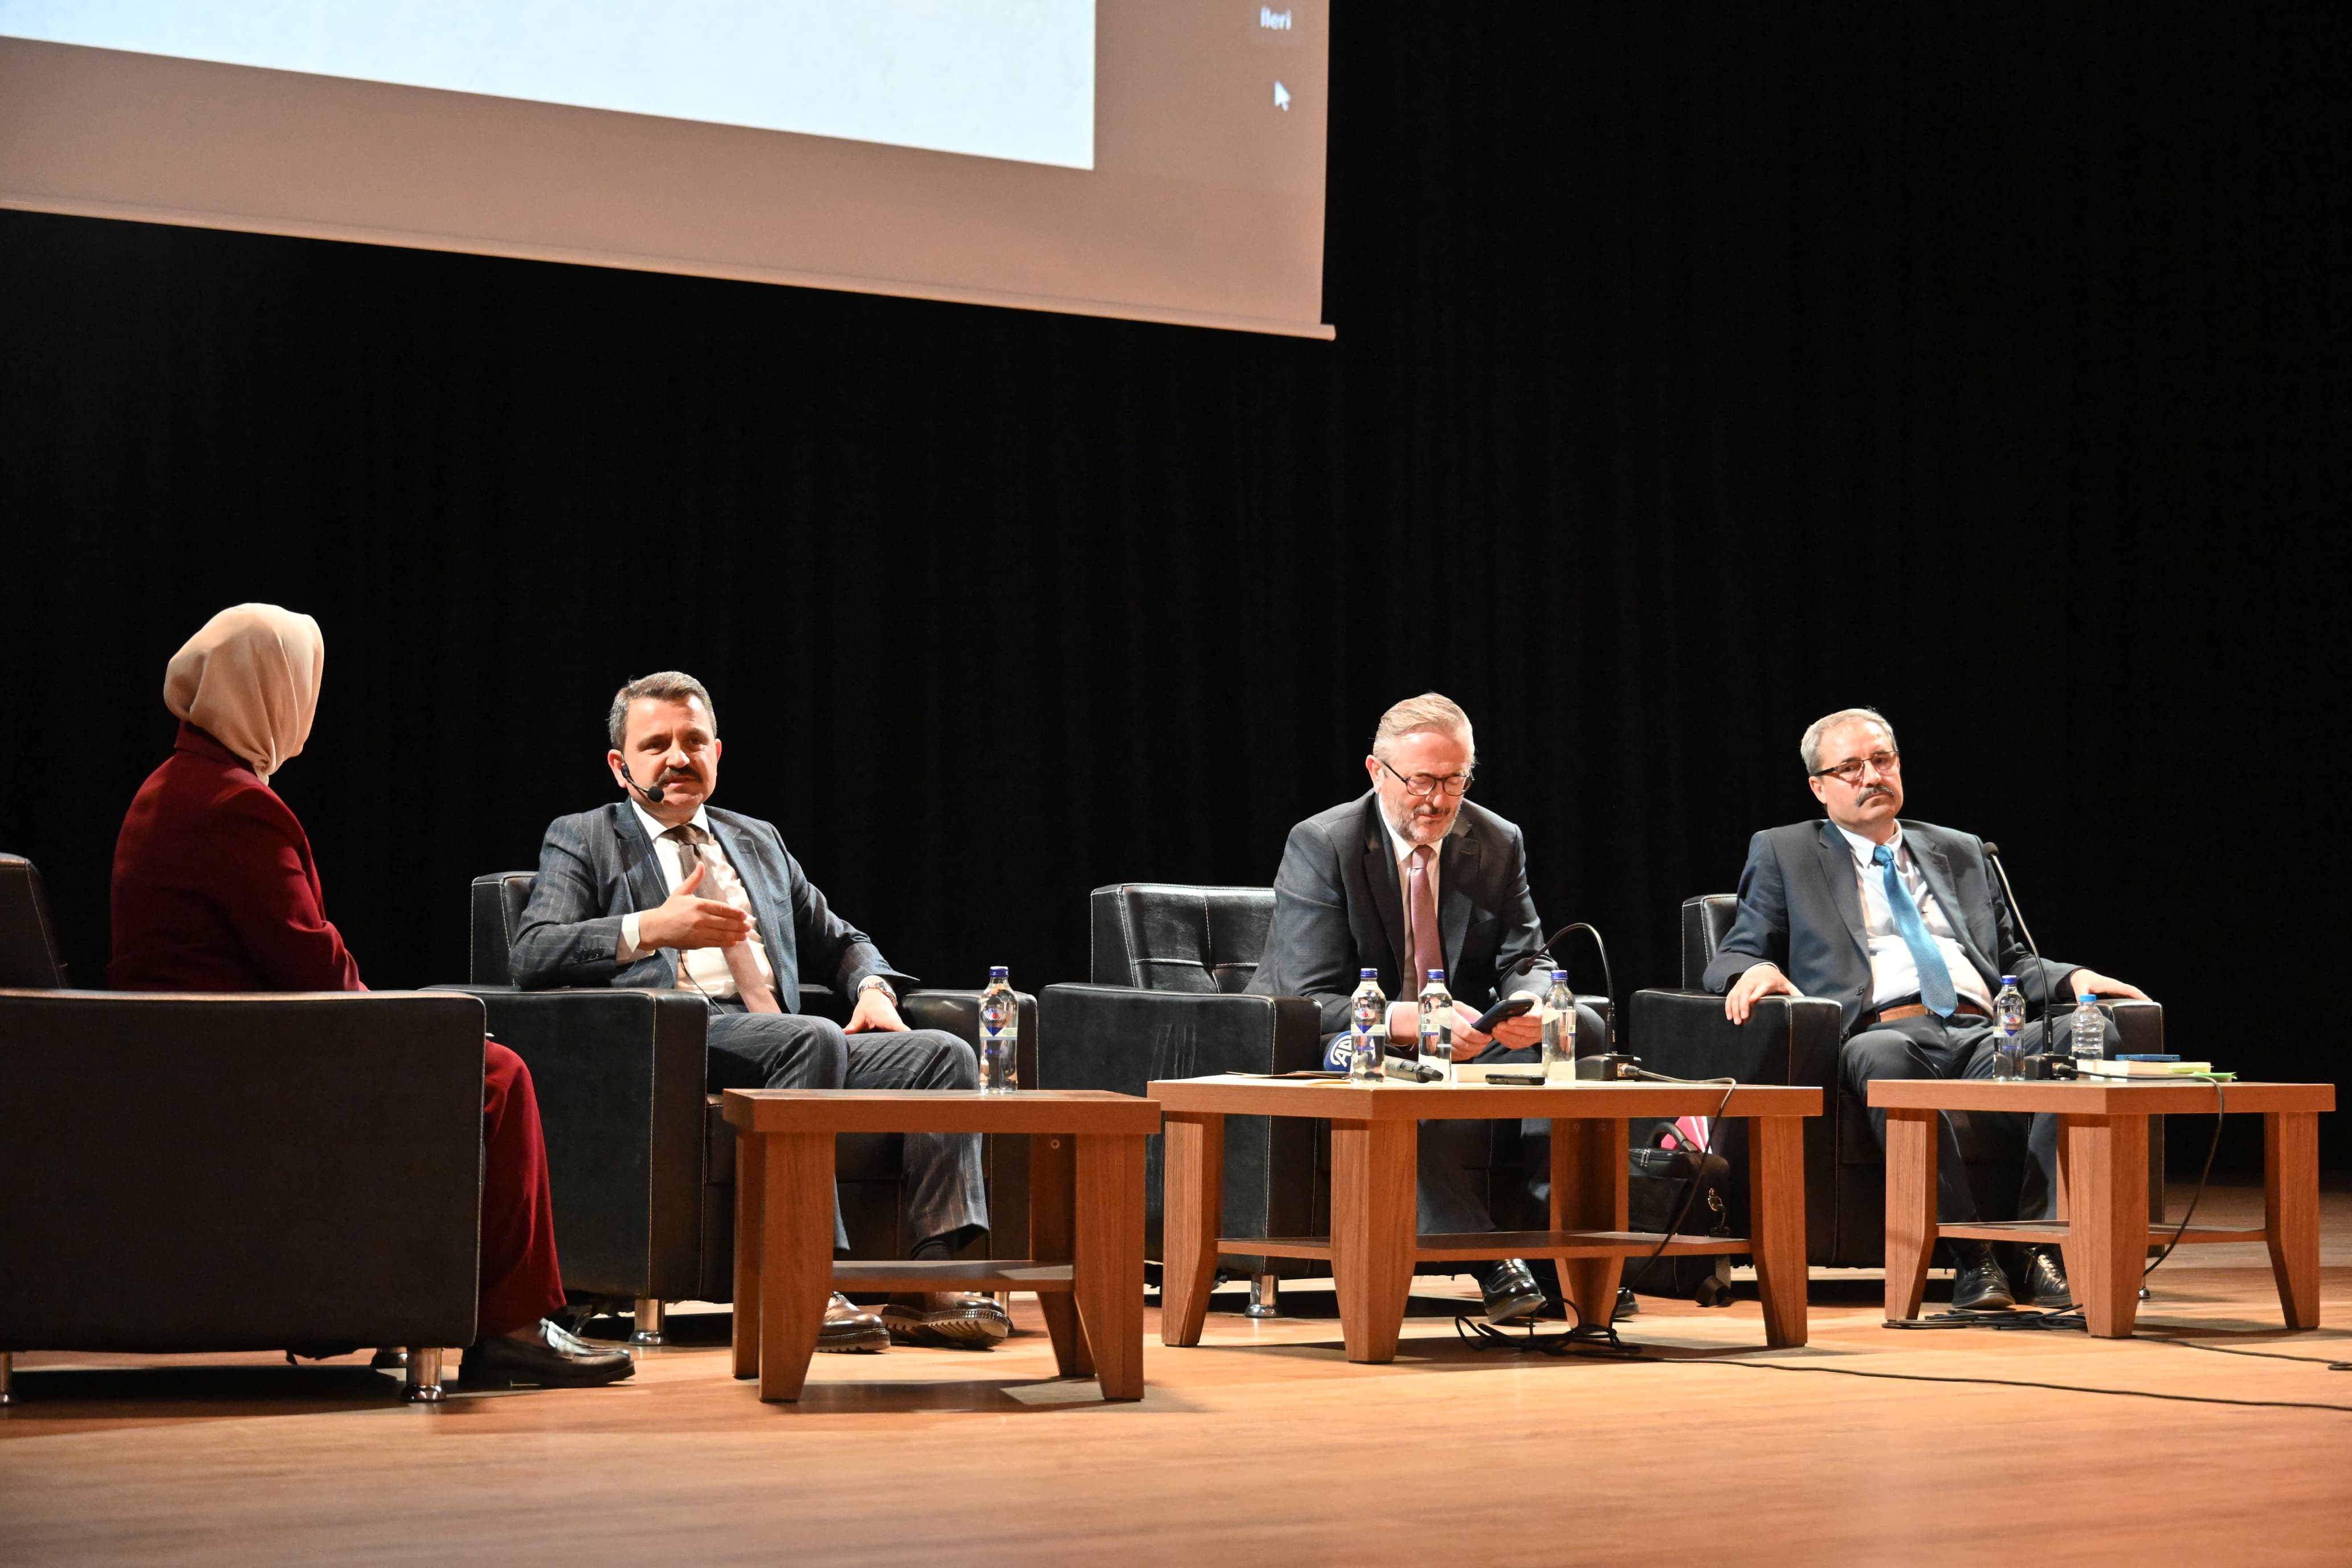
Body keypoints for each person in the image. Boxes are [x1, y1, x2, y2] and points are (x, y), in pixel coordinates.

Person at [109, 604, 632, 1389]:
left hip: (200, 1052)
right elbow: (310, 963)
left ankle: (416, 1306)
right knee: (497, 1077)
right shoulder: (231, 805)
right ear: (269, 692)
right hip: (235, 1066)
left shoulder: (174, 786)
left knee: (471, 1060)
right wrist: (401, 1026)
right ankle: (514, 1326)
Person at [507, 671, 1006, 1351]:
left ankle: (930, 1282)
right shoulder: (586, 837)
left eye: (694, 740)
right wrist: (651, 927)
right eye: (657, 745)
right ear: (622, 765)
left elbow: (843, 940)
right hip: (676, 1041)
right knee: (810, 1039)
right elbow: (533, 952)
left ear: (719, 751)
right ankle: (801, 1279)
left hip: (788, 1035)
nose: (679, 757)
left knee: (941, 1055)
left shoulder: (757, 842)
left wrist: (871, 990)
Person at [1704, 706, 2150, 1311]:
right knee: (1889, 1053)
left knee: (2085, 1035)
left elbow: (2013, 959)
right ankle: (1972, 1256)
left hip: (1986, 1031)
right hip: (1882, 1031)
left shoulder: (1962, 850)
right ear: (1820, 786)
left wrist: (2076, 978)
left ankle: (2041, 1245)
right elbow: (1734, 951)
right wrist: (1753, 968)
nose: (1871, 777)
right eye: (1851, 767)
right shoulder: (1785, 851)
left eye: (1882, 760)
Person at [1246, 693, 1610, 1324]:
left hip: (1459, 1031)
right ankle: (1491, 1259)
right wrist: (1409, 1020)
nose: (1438, 801)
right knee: (1374, 1061)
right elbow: (1308, 997)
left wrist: (1535, 1003)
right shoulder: (1323, 843)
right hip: (1344, 1039)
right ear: (1376, 772)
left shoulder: (1496, 840)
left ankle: (1564, 1255)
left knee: (1582, 1027)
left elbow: (1525, 955)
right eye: (1421, 781)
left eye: (1454, 781)